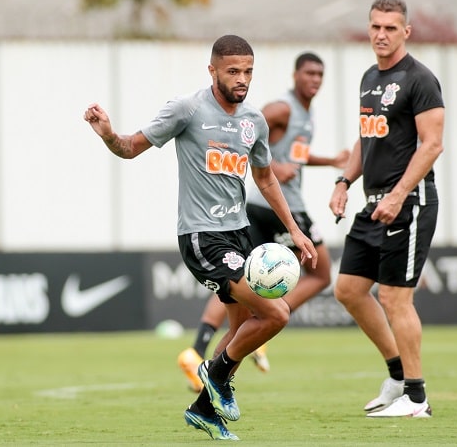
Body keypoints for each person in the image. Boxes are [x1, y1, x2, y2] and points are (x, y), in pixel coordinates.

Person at [84, 35, 317, 440]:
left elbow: (265, 177)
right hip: (201, 237)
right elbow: (129, 148)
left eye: (248, 71)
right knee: (277, 313)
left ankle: (205, 409)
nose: (242, 79)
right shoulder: (187, 109)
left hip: (240, 233)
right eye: (233, 71)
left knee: (240, 329)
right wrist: (107, 132)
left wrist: (295, 229)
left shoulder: (254, 122)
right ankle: (212, 371)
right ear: (212, 71)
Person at [178, 52, 350, 392]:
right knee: (320, 272)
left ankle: (199, 349)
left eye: (320, 74)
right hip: (274, 205)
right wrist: (271, 168)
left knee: (238, 279)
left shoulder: (305, 113)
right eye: (309, 73)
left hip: (252, 209)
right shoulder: (281, 108)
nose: (314, 80)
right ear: (295, 75)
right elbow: (249, 134)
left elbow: (289, 153)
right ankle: (264, 323)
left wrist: (328, 160)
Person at [329, 0, 444, 418]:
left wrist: (398, 194)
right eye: (375, 26)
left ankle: (417, 399)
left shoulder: (420, 79)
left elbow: (432, 144)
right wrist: (344, 180)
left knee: (395, 298)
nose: (381, 34)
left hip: (409, 203)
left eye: (390, 28)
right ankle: (397, 376)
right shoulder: (368, 78)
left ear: (406, 32)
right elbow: (367, 138)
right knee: (349, 290)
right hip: (373, 204)